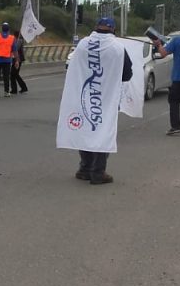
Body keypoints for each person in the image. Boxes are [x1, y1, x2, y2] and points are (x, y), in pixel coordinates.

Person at [57, 17, 132, 185]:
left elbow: (73, 66)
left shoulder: (83, 44)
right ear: (113, 29)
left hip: (83, 94)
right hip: (105, 98)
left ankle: (84, 169)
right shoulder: (118, 48)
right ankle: (98, 172)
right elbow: (127, 74)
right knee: (102, 131)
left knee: (86, 129)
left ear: (97, 27)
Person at [10, 29, 29, 95]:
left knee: (13, 74)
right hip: (15, 59)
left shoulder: (19, 41)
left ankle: (17, 89)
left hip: (18, 59)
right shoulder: (17, 40)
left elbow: (16, 48)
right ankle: (21, 88)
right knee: (15, 74)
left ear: (14, 35)